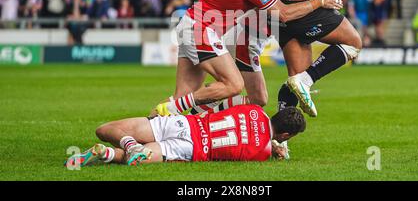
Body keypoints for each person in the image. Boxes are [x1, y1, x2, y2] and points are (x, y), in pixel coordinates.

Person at [152, 0, 342, 117]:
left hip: (193, 26)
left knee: (184, 93)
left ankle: (150, 126)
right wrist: (320, 1)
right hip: (200, 28)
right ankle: (181, 111)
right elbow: (283, 13)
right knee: (233, 85)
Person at [64, 105, 305, 166]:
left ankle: (120, 145)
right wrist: (275, 149)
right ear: (285, 134)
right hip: (191, 149)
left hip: (184, 123)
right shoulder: (262, 153)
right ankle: (112, 153)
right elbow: (256, 142)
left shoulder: (254, 109)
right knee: (135, 159)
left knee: (104, 130)